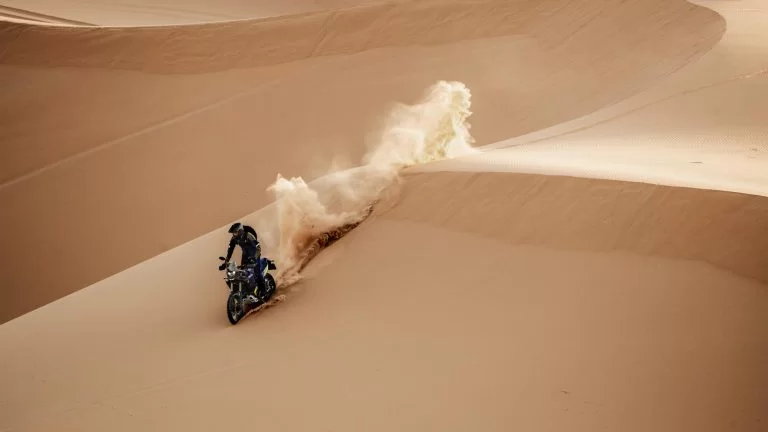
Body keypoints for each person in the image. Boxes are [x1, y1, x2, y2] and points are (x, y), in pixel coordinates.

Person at [219, 222, 264, 302]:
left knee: (257, 273)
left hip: (254, 254)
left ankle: (263, 292)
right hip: (245, 255)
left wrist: (254, 257)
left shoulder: (248, 236)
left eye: (235, 232)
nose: (234, 234)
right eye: (233, 233)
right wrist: (225, 262)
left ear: (240, 231)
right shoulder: (234, 239)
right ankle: (247, 292)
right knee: (243, 272)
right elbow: (230, 251)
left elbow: (258, 247)